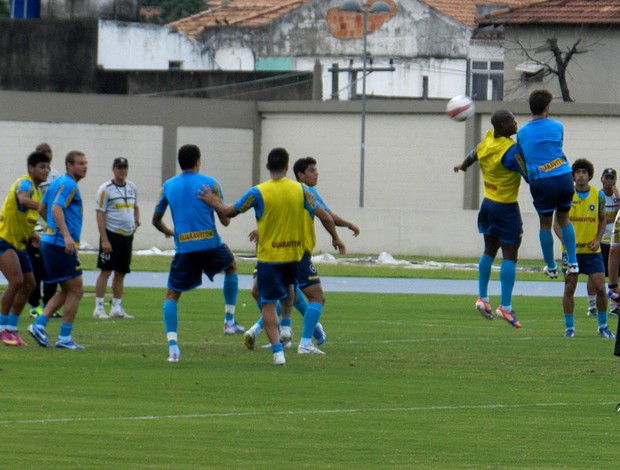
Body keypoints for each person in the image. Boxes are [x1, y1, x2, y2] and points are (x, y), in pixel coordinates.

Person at [198, 147, 344, 365]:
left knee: (268, 303)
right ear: (287, 167)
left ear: (268, 167)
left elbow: (229, 212)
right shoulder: (301, 190)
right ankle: (292, 334)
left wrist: (213, 203)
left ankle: (278, 353)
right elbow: (324, 215)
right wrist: (335, 237)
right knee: (292, 295)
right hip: (294, 256)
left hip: (270, 258)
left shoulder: (258, 192)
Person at [243, 156, 359, 352]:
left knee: (288, 295)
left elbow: (325, 215)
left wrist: (346, 224)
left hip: (281, 252)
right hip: (297, 253)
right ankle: (305, 341)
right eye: (312, 170)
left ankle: (280, 335)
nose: (316, 174)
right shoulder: (305, 192)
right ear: (300, 175)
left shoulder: (296, 193)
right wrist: (337, 236)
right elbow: (323, 216)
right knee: (316, 296)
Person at [152, 144, 243, 363]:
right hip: (210, 244)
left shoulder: (168, 186)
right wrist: (215, 205)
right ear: (198, 161)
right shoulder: (210, 184)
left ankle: (173, 348)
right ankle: (229, 321)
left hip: (185, 248)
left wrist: (170, 232)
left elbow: (155, 220)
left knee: (172, 295)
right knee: (231, 266)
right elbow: (226, 220)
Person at [454, 109, 527, 328]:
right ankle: (505, 306)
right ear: (503, 125)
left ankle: (483, 298)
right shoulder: (511, 150)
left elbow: (473, 155)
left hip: (487, 205)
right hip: (506, 207)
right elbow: (529, 175)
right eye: (512, 121)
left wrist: (462, 166)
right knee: (510, 255)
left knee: (489, 251)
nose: (515, 124)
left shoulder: (486, 140)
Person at [28, 151, 88, 350]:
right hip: (60, 244)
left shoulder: (57, 182)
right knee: (77, 290)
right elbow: (55, 209)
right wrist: (65, 235)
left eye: (85, 163)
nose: (84, 167)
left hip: (51, 241)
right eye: (80, 163)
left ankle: (40, 325)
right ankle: (63, 337)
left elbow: (42, 208)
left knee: (68, 290)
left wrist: (50, 229)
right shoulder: (69, 184)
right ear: (69, 165)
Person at [517, 89, 578, 279]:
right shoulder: (558, 126)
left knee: (545, 224)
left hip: (542, 181)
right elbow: (557, 147)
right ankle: (574, 263)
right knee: (564, 219)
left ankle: (551, 267)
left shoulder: (522, 132)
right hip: (564, 177)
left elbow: (523, 156)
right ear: (546, 107)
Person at [552, 159, 614, 339]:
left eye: (584, 172)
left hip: (592, 251)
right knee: (569, 287)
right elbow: (556, 223)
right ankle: (569, 328)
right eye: (577, 172)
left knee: (601, 288)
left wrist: (598, 238)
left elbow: (602, 219)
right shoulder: (566, 195)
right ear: (573, 176)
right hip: (571, 253)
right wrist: (565, 241)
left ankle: (602, 326)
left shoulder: (598, 196)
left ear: (589, 176)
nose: (580, 175)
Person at [0, 151, 50, 346]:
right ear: (31, 168)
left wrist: (33, 235)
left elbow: (22, 217)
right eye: (41, 167)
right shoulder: (26, 184)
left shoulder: (38, 191)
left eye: (47, 167)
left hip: (18, 244)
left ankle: (12, 328)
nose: (45, 171)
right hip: (3, 240)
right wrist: (43, 207)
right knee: (16, 281)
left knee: (30, 284)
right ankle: (2, 327)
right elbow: (22, 199)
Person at [93, 157, 140, 319]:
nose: (122, 170)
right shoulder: (105, 189)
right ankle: (99, 308)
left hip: (127, 236)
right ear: (113, 169)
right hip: (111, 234)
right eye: (119, 167)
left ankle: (116, 308)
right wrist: (104, 239)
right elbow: (99, 214)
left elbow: (136, 207)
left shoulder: (132, 187)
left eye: (125, 167)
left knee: (121, 272)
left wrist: (136, 220)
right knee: (106, 271)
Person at [27, 143, 61, 318]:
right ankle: (34, 305)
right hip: (34, 228)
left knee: (50, 270)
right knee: (34, 271)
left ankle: (49, 304)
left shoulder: (56, 176)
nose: (47, 155)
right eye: (43, 153)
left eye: (49, 152)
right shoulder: (28, 182)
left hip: (50, 228)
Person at [586, 168, 619, 317]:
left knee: (615, 275)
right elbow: (599, 218)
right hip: (600, 240)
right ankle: (592, 305)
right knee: (595, 274)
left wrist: (618, 198)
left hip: (614, 242)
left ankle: (614, 305)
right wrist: (609, 220)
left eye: (612, 178)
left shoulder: (617, 197)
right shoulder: (598, 196)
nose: (609, 181)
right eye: (607, 178)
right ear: (602, 179)